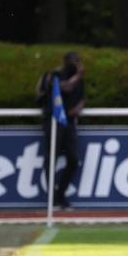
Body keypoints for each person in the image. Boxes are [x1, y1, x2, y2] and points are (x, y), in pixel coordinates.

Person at [36, 51, 85, 208]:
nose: (74, 64)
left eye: (76, 61)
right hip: (53, 121)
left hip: (69, 122)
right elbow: (65, 88)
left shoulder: (80, 79)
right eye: (71, 61)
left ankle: (60, 195)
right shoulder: (54, 75)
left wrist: (78, 108)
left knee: (73, 159)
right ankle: (52, 198)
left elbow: (82, 98)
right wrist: (78, 74)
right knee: (52, 158)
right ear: (64, 61)